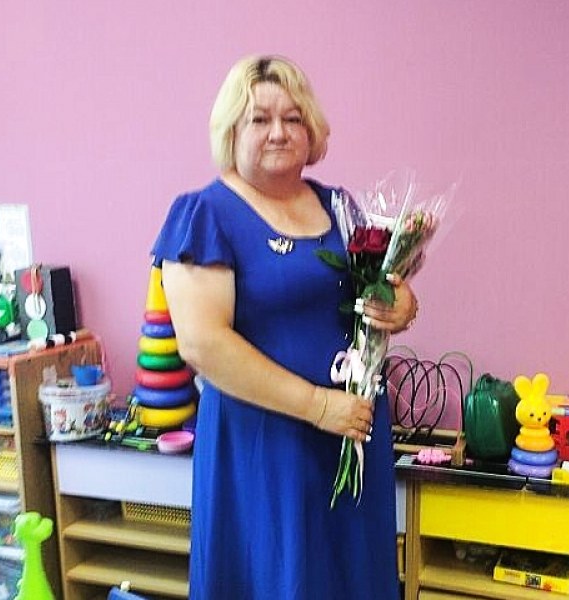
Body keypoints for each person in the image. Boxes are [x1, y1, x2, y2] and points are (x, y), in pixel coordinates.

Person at [152, 55, 418, 600]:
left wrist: (401, 304)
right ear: (231, 130)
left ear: (311, 128)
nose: (279, 132)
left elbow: (375, 289)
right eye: (260, 119)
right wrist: (319, 406)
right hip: (264, 449)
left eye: (293, 118)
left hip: (350, 437)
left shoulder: (339, 206)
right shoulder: (204, 214)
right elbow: (203, 345)